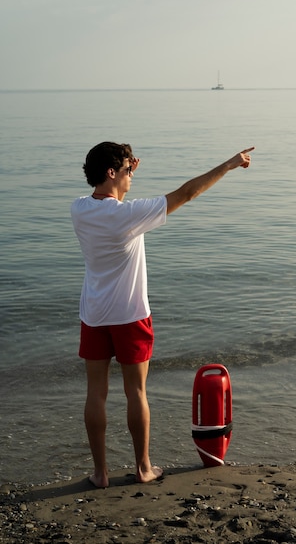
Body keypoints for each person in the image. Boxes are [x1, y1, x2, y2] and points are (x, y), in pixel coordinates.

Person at [71, 141, 254, 488]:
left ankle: (100, 474)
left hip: (94, 314)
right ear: (112, 173)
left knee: (95, 394)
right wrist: (228, 164)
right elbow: (187, 193)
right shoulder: (128, 216)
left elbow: (108, 201)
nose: (131, 177)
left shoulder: (79, 209)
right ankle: (143, 469)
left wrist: (123, 176)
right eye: (127, 171)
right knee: (135, 393)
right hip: (130, 314)